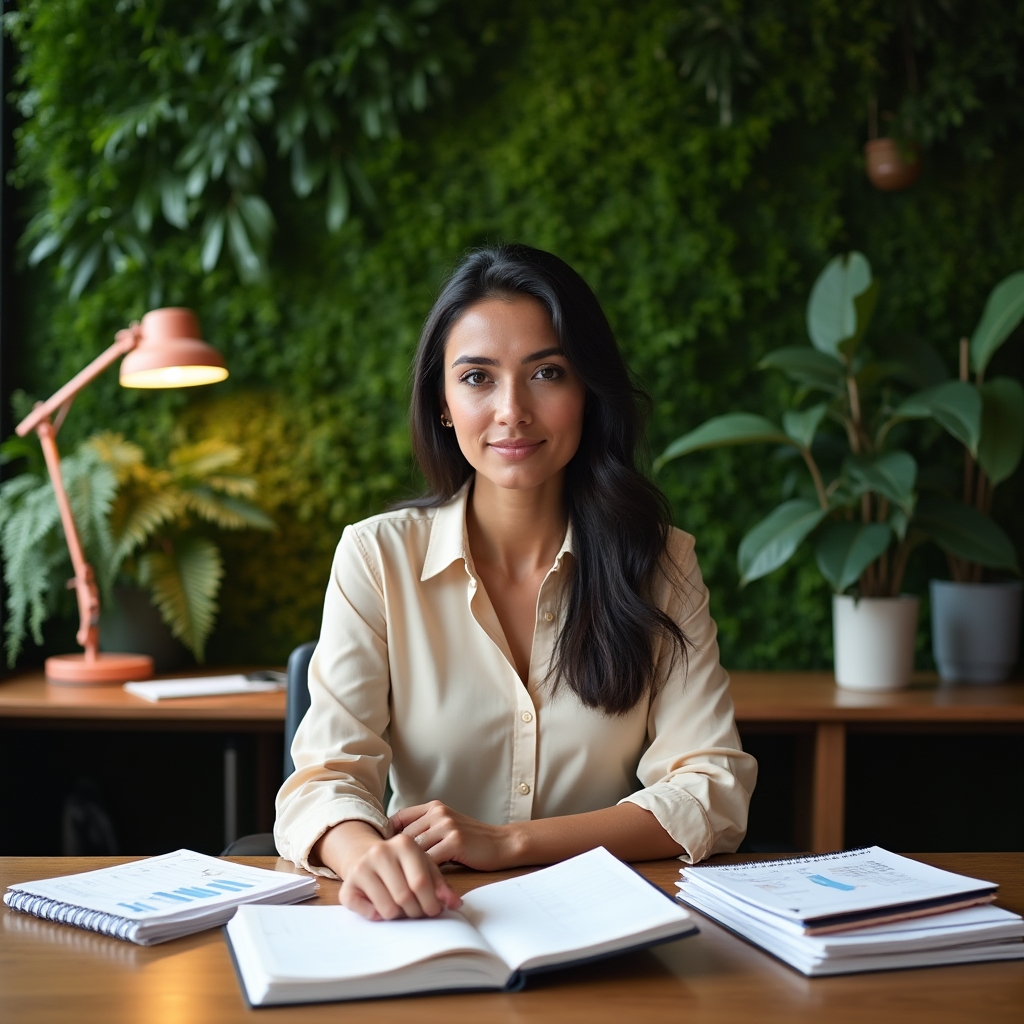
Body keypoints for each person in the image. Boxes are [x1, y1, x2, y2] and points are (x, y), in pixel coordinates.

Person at [274, 244, 757, 921]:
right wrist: (365, 854)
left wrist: (510, 843)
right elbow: (324, 781)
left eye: (547, 373)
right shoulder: (376, 557)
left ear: (587, 391)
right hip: (434, 919)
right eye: (477, 378)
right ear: (442, 402)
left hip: (606, 921)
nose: (511, 411)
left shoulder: (659, 563)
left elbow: (711, 788)